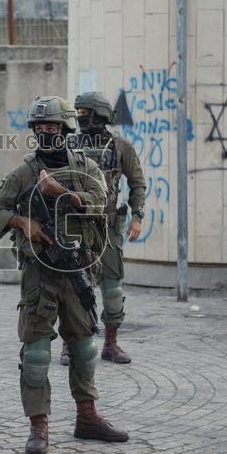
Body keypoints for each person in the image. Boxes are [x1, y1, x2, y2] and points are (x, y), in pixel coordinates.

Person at [0, 95, 129, 454]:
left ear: (66, 129)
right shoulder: (25, 172)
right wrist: (21, 221)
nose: (46, 133)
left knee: (84, 349)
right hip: (40, 273)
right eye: (40, 127)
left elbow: (100, 203)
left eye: (53, 127)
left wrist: (60, 192)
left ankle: (87, 417)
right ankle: (39, 425)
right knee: (36, 354)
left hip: (78, 270)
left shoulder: (86, 168)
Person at [68, 91, 146, 365]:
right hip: (76, 225)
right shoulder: (68, 145)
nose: (80, 118)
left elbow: (137, 183)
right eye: (78, 113)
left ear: (99, 114)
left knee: (112, 290)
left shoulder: (121, 147)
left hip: (109, 228)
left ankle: (110, 344)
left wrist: (137, 216)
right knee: (75, 288)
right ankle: (70, 344)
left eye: (84, 113)